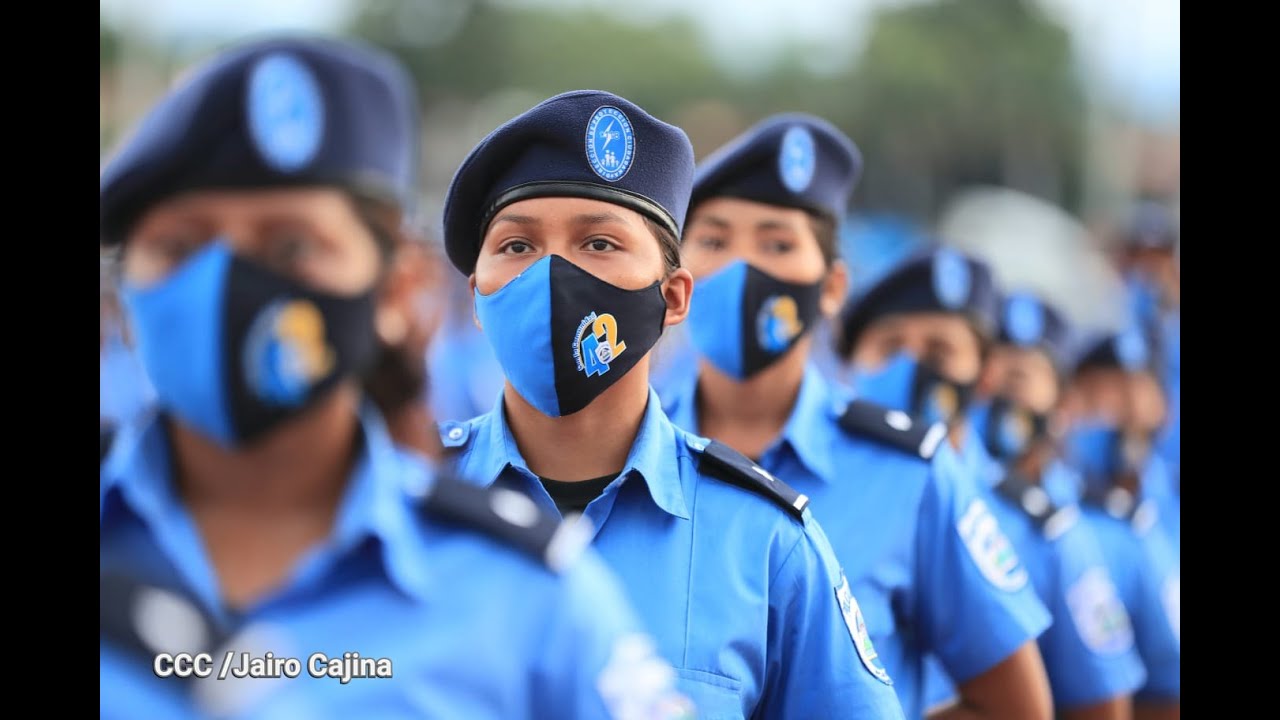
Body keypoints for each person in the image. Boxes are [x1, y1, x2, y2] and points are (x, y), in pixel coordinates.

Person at [99, 36, 688, 719]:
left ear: (396, 291)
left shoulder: (533, 597)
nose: (227, 286)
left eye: (291, 245)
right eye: (181, 247)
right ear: (127, 297)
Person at [438, 90, 906, 719]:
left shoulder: (762, 541)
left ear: (675, 297)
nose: (550, 275)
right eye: (516, 247)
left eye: (599, 244)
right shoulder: (399, 512)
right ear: (476, 295)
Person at [662, 114, 1052, 720]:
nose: (742, 269)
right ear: (676, 281)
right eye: (713, 241)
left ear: (833, 287)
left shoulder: (908, 473)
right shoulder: (636, 456)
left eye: (777, 244)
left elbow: (1017, 705)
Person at [960, 291, 1149, 718]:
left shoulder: (1060, 530)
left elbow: (1104, 701)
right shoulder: (942, 489)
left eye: (1020, 380)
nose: (1000, 398)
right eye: (993, 378)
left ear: (1063, 406)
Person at [1058, 329, 1181, 720]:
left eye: (1134, 390)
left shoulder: (1168, 502)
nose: (1120, 410)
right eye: (1098, 392)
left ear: (1164, 406)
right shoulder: (1053, 506)